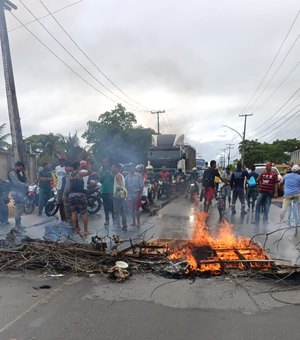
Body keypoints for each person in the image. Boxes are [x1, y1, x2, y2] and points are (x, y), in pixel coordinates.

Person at [65, 161, 90, 235]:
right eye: (80, 165)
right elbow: (90, 172)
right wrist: (88, 163)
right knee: (84, 212)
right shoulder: (80, 173)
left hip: (71, 195)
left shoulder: (70, 175)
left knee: (74, 212)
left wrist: (66, 195)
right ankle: (85, 230)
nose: (81, 166)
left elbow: (69, 187)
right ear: (78, 166)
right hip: (80, 194)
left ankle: (76, 230)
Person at [8, 161, 28, 229]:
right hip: (16, 192)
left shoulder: (19, 173)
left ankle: (19, 225)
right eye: (21, 168)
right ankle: (17, 226)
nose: (21, 169)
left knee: (21, 208)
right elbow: (16, 182)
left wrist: (23, 173)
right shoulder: (12, 172)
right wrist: (25, 185)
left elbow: (24, 180)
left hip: (20, 192)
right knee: (19, 208)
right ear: (18, 166)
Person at [99, 159, 114, 226]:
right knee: (105, 206)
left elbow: (114, 179)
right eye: (104, 162)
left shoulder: (111, 169)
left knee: (113, 205)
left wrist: (109, 173)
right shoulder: (101, 170)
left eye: (106, 162)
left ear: (108, 163)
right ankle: (107, 219)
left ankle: (114, 219)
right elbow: (100, 181)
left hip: (111, 190)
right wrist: (104, 174)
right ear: (103, 163)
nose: (105, 164)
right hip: (104, 190)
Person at [112, 164, 128, 230]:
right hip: (122, 196)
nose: (112, 169)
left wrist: (115, 193)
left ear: (117, 168)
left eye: (113, 168)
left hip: (118, 196)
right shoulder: (121, 175)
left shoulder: (118, 175)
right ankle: (124, 226)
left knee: (117, 212)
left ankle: (118, 226)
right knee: (123, 211)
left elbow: (119, 185)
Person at [55, 155, 67, 221]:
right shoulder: (57, 168)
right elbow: (56, 177)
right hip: (59, 187)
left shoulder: (66, 168)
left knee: (66, 203)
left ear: (64, 161)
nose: (61, 161)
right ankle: (63, 218)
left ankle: (67, 217)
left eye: (62, 160)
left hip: (65, 188)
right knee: (59, 203)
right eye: (60, 160)